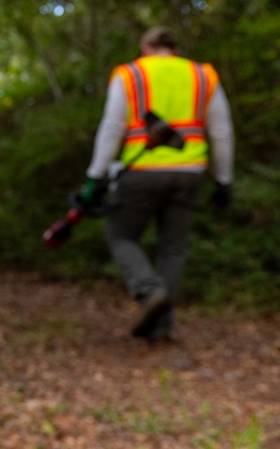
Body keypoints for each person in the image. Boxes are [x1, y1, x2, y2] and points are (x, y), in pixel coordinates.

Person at [78, 27, 234, 342]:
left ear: (146, 47)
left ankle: (150, 294)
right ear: (174, 49)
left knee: (121, 234)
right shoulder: (203, 75)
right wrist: (224, 180)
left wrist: (95, 177)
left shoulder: (130, 74)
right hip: (190, 172)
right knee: (173, 247)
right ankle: (161, 327)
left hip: (140, 170)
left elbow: (112, 127)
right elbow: (221, 131)